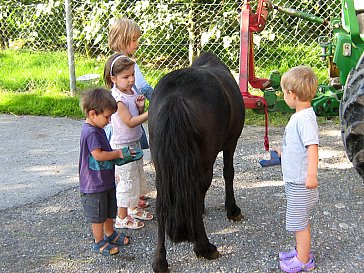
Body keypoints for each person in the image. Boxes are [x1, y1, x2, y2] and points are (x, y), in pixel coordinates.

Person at [275, 66, 319, 272]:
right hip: (295, 181)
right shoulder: (300, 116)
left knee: (298, 223)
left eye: (284, 92)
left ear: (292, 95)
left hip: (301, 182)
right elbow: (300, 145)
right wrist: (284, 152)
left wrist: (311, 175)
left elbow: (312, 147)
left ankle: (303, 260)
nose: (284, 96)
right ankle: (302, 251)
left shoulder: (305, 119)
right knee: (299, 220)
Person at [104, 53, 153, 229]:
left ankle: (132, 208)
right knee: (126, 180)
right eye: (126, 77)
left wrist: (141, 109)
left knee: (137, 176)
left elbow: (136, 118)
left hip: (134, 142)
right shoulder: (118, 99)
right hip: (122, 146)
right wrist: (152, 112)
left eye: (133, 74)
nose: (132, 79)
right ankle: (121, 216)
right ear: (113, 78)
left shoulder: (131, 92)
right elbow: (129, 122)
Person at [79, 88, 130, 256]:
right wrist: (118, 153)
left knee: (109, 210)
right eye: (107, 117)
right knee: (98, 214)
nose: (109, 121)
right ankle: (98, 241)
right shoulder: (90, 131)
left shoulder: (98, 128)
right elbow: (98, 155)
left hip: (105, 179)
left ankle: (110, 233)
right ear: (93, 114)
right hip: (94, 184)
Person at [108, 17, 152, 208]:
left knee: (131, 168)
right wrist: (158, 98)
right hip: (124, 128)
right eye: (134, 40)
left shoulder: (116, 63)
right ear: (123, 40)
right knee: (128, 170)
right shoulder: (126, 64)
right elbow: (142, 86)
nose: (137, 44)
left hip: (123, 123)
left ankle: (133, 199)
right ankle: (127, 206)